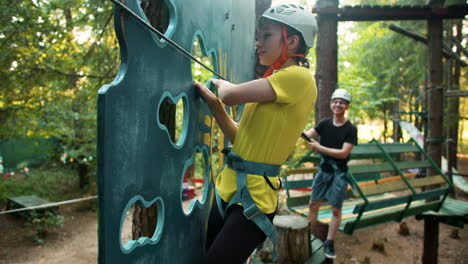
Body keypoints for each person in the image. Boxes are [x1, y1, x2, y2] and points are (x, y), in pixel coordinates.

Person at [194, 4, 318, 264]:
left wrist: (220, 85)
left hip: (254, 199)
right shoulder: (275, 81)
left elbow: (228, 94)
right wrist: (214, 105)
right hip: (227, 188)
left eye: (267, 35)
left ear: (292, 40)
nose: (257, 42)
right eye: (259, 36)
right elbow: (242, 139)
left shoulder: (299, 77)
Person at [303, 88, 357, 259]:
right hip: (323, 171)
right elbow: (307, 135)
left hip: (338, 174)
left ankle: (329, 242)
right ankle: (309, 237)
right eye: (335, 101)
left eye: (342, 102)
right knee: (313, 204)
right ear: (331, 104)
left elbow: (343, 153)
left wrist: (319, 148)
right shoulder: (324, 124)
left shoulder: (350, 129)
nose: (338, 104)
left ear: (347, 106)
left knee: (335, 210)